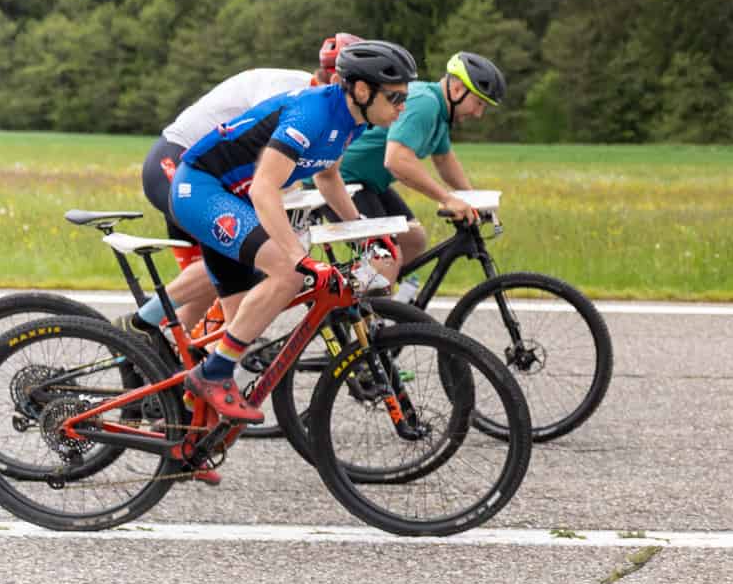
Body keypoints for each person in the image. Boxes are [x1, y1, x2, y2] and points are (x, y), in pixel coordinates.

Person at [165, 41, 420, 424]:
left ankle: (185, 427)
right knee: (286, 273)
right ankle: (210, 374)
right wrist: (298, 258)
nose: (403, 107)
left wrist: (364, 232)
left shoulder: (350, 119)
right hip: (201, 189)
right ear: (363, 90)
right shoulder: (313, 113)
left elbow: (328, 176)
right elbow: (264, 188)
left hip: (230, 198)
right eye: (396, 97)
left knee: (243, 317)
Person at [133, 33, 361, 339]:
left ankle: (159, 355)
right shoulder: (295, 93)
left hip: (217, 179)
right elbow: (256, 157)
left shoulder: (334, 115)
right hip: (181, 161)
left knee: (216, 283)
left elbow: (326, 174)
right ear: (340, 81)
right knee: (250, 249)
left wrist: (359, 230)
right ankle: (140, 321)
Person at [342, 51, 500, 265]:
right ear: (457, 89)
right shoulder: (425, 103)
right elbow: (396, 159)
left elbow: (445, 161)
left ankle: (389, 296)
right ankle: (363, 297)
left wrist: (473, 200)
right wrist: (447, 199)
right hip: (344, 181)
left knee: (413, 240)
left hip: (369, 183)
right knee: (385, 260)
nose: (478, 114)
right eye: (478, 103)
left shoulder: (441, 113)